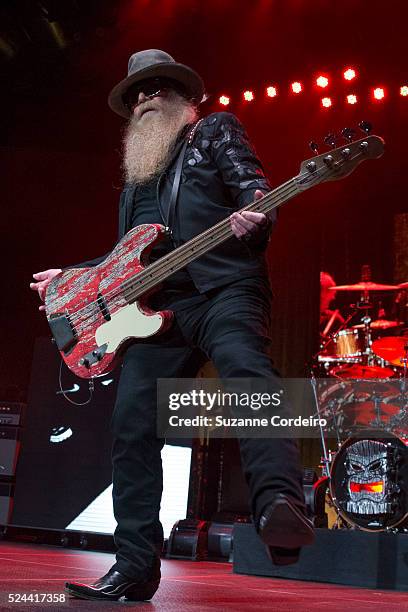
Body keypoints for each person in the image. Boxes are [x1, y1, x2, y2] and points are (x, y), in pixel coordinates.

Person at [30, 49, 314, 602]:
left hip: (224, 290)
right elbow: (124, 259)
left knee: (247, 376)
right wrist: (73, 277)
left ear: (186, 99)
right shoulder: (137, 177)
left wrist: (257, 217)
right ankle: (134, 566)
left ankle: (280, 507)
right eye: (137, 93)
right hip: (154, 315)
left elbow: (254, 187)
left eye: (159, 87)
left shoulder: (213, 133)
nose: (146, 98)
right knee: (131, 427)